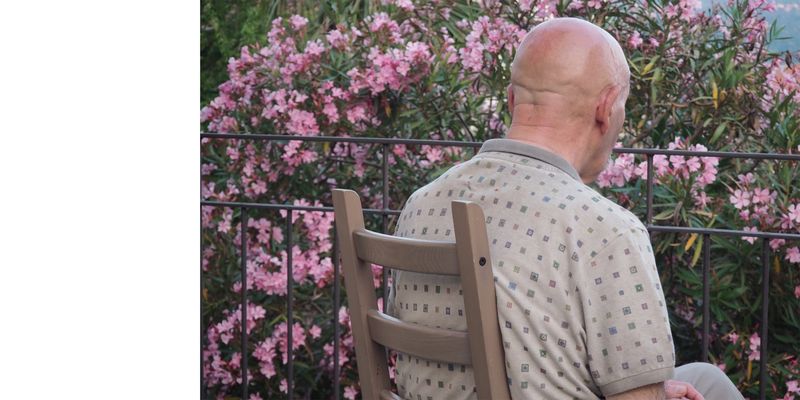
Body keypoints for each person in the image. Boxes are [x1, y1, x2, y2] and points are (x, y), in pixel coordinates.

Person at [386, 17, 744, 400]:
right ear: (605, 109)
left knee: (703, 379)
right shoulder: (604, 228)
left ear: (511, 99)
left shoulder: (421, 203)